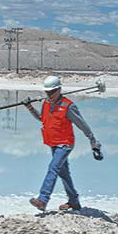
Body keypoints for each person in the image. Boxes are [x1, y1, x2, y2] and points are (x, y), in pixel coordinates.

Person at [22, 75, 101, 212]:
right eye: (47, 92)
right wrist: (30, 108)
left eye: (52, 92)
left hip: (65, 144)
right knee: (63, 174)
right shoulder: (46, 103)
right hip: (53, 143)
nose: (49, 94)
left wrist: (93, 142)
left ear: (59, 89)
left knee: (53, 168)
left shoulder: (68, 106)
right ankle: (74, 201)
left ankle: (43, 199)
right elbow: (42, 119)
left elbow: (83, 125)